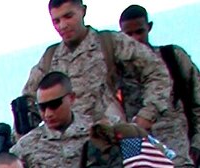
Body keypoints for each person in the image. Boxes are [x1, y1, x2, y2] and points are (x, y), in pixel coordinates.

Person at [119, 2, 200, 168]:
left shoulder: (172, 58)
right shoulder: (117, 76)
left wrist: (197, 143)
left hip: (183, 159)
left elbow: (197, 102)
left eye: (139, 31)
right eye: (129, 34)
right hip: (147, 167)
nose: (135, 39)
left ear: (149, 28)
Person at [26, 0, 172, 130]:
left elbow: (157, 71)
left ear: (83, 11)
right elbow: (29, 100)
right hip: (65, 144)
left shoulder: (110, 42)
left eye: (68, 16)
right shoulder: (50, 57)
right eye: (56, 21)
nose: (63, 25)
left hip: (107, 139)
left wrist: (147, 114)